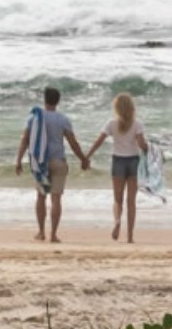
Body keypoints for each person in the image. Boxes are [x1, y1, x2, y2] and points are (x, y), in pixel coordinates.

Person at [14, 87, 88, 243]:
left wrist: (19, 160)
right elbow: (73, 143)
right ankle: (53, 234)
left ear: (44, 99)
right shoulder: (63, 119)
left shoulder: (34, 118)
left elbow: (25, 140)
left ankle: (41, 232)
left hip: (41, 163)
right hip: (58, 161)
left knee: (41, 197)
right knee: (56, 199)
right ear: (58, 101)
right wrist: (83, 158)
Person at [84, 92, 149, 243]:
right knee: (131, 201)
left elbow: (99, 141)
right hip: (133, 161)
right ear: (131, 107)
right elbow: (141, 145)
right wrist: (149, 149)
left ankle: (117, 221)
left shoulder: (111, 124)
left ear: (117, 108)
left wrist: (88, 156)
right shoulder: (137, 124)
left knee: (117, 199)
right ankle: (130, 237)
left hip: (118, 161)